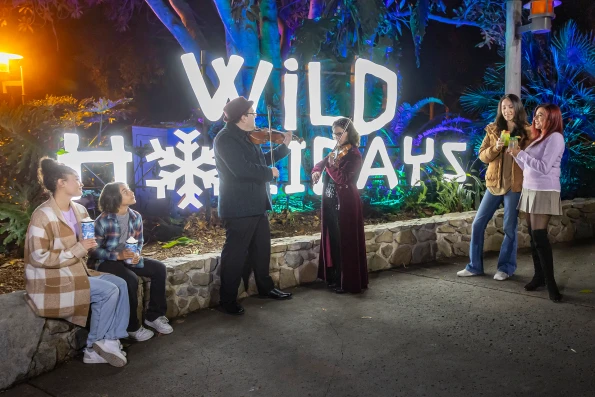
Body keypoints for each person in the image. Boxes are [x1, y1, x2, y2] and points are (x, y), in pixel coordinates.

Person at [24, 158, 129, 367]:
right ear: (61, 183)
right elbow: (38, 257)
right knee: (108, 291)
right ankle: (92, 348)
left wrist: (89, 245)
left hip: (75, 270)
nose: (81, 183)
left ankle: (110, 339)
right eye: (76, 179)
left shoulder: (79, 210)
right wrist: (78, 248)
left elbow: (84, 244)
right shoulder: (42, 215)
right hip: (50, 278)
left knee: (121, 284)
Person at [213, 96, 294, 315]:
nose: (256, 117)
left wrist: (284, 147)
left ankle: (266, 288)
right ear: (242, 117)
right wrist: (270, 173)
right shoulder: (226, 139)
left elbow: (261, 161)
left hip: (256, 204)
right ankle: (227, 300)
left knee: (261, 251)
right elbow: (242, 169)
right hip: (239, 207)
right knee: (235, 254)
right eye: (253, 113)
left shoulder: (248, 137)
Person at [457, 94, 532, 280]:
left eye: (510, 107)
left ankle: (505, 268)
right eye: (504, 107)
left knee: (509, 228)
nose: (507, 111)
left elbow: (531, 160)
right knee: (478, 223)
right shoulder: (493, 129)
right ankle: (474, 266)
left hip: (514, 186)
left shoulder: (527, 132)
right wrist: (496, 147)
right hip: (493, 184)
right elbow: (482, 156)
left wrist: (518, 152)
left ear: (517, 108)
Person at [90, 182, 173, 338]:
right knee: (130, 279)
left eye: (128, 189)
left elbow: (139, 242)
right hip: (107, 262)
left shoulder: (136, 216)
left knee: (159, 269)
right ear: (114, 198)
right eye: (125, 191)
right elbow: (94, 251)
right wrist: (117, 256)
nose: (131, 192)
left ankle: (154, 317)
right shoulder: (102, 220)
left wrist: (136, 255)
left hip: (129, 258)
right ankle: (132, 327)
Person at [509, 104, 565, 302]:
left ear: (552, 118)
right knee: (533, 237)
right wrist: (516, 155)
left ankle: (551, 284)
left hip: (545, 189)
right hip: (530, 188)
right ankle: (539, 277)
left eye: (541, 115)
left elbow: (543, 167)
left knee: (540, 236)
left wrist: (521, 154)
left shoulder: (555, 138)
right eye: (535, 115)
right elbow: (527, 167)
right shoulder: (538, 138)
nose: (536, 118)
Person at [311, 118, 368, 294]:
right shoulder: (337, 150)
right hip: (330, 201)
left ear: (348, 133)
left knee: (345, 242)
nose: (336, 137)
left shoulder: (355, 155)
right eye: (334, 134)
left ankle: (347, 281)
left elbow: (342, 178)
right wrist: (316, 170)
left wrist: (328, 166)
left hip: (345, 203)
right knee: (334, 241)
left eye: (339, 133)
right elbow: (322, 163)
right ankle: (335, 277)